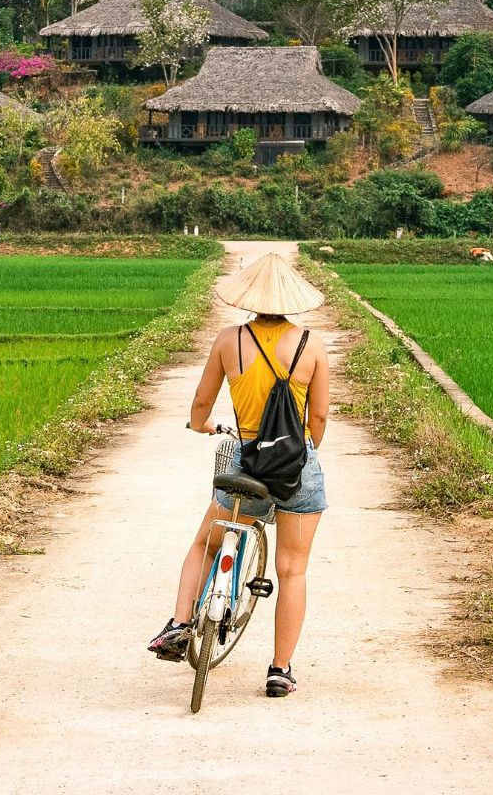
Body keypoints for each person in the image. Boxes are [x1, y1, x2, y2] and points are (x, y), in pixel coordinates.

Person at [148, 253, 331, 699]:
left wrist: (203, 427)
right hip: (297, 466)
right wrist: (304, 451)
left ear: (248, 298)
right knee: (292, 571)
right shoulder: (311, 344)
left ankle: (179, 623)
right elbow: (320, 416)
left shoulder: (230, 340)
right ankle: (280, 670)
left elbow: (200, 406)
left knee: (207, 543)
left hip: (247, 460)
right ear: (292, 302)